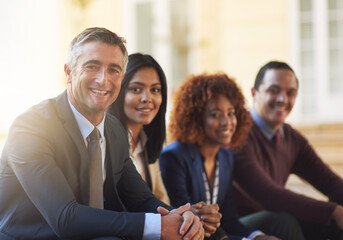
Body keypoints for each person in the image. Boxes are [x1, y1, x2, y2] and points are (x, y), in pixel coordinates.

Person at [0, 27, 203, 240]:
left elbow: (141, 199)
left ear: (121, 78)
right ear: (69, 72)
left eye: (113, 70)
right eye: (92, 66)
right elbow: (65, 218)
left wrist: (181, 219)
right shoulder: (31, 128)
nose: (103, 79)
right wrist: (158, 226)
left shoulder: (114, 130)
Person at [160, 73, 292, 240]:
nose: (226, 122)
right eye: (215, 115)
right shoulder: (174, 157)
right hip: (188, 235)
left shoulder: (226, 158)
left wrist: (257, 236)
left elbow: (229, 219)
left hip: (218, 234)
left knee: (281, 225)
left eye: (231, 113)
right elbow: (186, 223)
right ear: (196, 118)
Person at [233, 60, 343, 240]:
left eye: (290, 93)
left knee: (333, 220)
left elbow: (329, 181)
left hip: (275, 213)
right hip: (240, 226)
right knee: (284, 221)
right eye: (273, 91)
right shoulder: (237, 132)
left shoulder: (291, 138)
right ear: (254, 93)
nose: (283, 99)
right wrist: (334, 211)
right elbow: (268, 194)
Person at [108, 53, 170, 204]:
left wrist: (188, 214)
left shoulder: (148, 142)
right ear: (119, 92)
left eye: (155, 90)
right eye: (135, 89)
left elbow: (162, 201)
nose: (147, 98)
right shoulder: (105, 143)